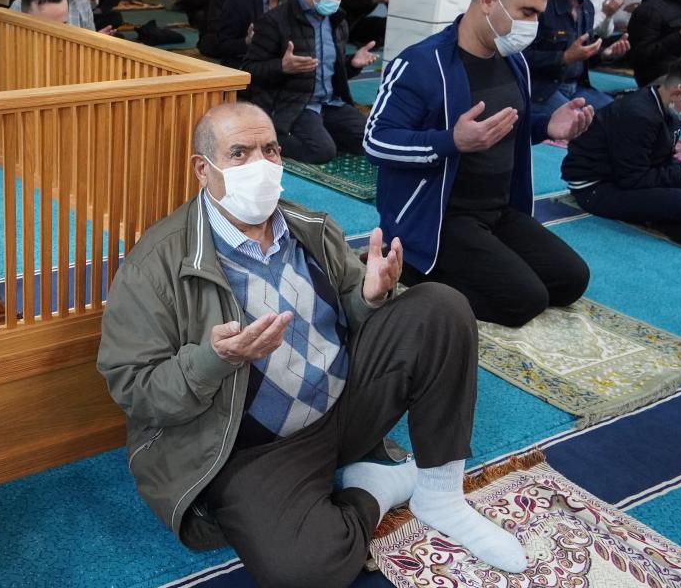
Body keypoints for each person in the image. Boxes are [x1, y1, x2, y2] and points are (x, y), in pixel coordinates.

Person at [98, 101, 530, 588]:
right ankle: (375, 487)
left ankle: (440, 496)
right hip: (253, 447)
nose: (260, 164)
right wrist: (213, 359)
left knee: (441, 307)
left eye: (270, 150)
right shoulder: (154, 266)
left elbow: (351, 311)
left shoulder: (310, 226)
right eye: (239, 153)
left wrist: (369, 296)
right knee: (305, 572)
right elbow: (133, 388)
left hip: (344, 406)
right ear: (203, 169)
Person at [364, 0, 593, 328]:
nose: (534, 25)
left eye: (537, 14)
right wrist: (451, 141)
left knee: (570, 280)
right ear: (489, 1)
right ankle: (411, 269)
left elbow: (502, 127)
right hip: (440, 219)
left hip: (498, 210)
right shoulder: (421, 63)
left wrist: (545, 126)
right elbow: (376, 141)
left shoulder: (513, 60)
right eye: (527, 12)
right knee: (525, 301)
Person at [562, 52, 681, 246]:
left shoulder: (672, 107)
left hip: (632, 174)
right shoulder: (638, 115)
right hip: (597, 187)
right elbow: (632, 179)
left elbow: (660, 159)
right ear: (677, 94)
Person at [244, 0, 377, 165]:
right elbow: (249, 70)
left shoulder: (338, 20)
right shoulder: (276, 20)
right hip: (294, 104)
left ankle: (323, 131)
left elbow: (331, 70)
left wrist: (353, 63)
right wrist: (282, 67)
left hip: (330, 103)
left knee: (371, 142)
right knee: (322, 152)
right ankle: (267, 137)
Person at [524, 0, 628, 115]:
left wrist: (605, 53)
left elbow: (582, 56)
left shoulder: (587, 7)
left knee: (616, 113)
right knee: (580, 120)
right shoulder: (542, 4)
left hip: (577, 86)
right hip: (543, 89)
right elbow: (520, 57)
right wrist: (564, 57)